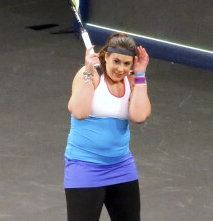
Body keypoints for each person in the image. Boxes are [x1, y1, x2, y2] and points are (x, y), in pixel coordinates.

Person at [64, 32, 151, 221]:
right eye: (116, 62)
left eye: (127, 64)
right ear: (106, 57)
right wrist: (88, 71)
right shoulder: (91, 75)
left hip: (121, 167)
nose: (121, 69)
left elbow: (139, 115)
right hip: (85, 167)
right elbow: (79, 112)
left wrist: (140, 74)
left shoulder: (131, 80)